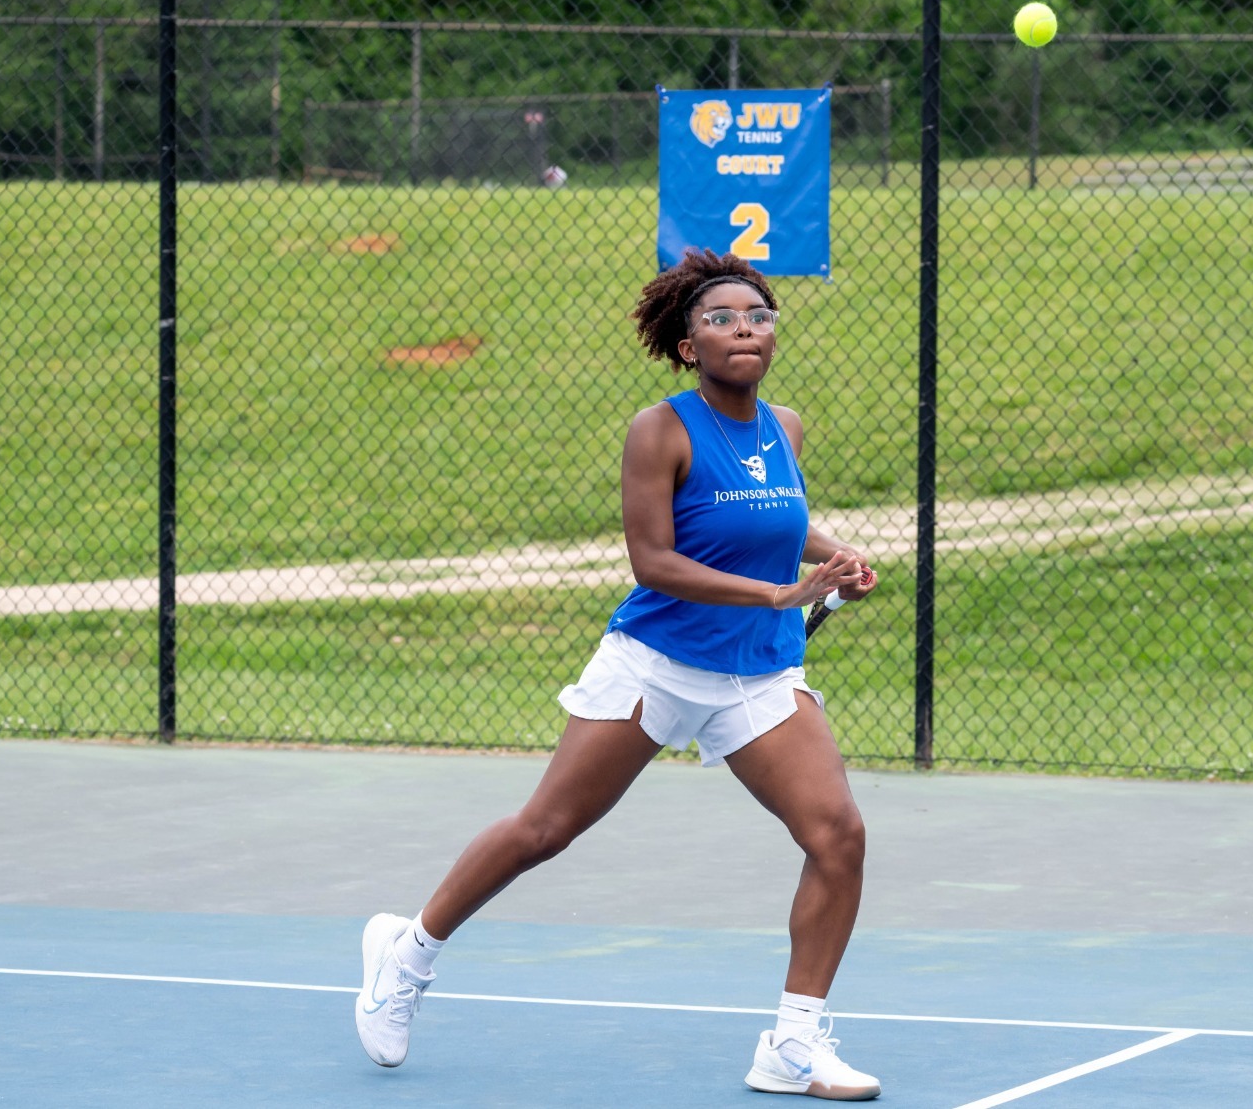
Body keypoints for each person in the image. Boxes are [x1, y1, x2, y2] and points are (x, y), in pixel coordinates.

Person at [354, 248, 882, 1101]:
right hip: (657, 665)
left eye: (758, 315)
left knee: (838, 835)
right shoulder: (660, 429)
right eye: (721, 318)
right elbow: (655, 561)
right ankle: (407, 953)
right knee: (546, 829)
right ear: (686, 346)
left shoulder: (783, 426)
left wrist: (834, 555)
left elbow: (775, 520)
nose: (743, 328)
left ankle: (791, 1044)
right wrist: (781, 590)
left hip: (757, 670)